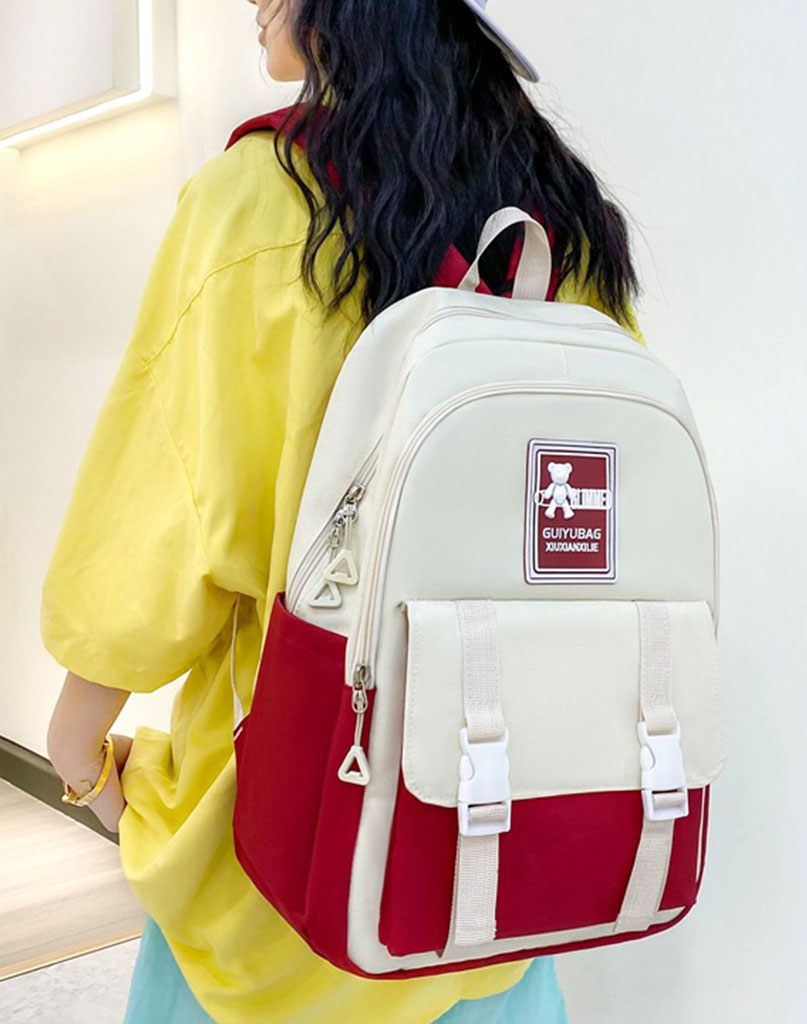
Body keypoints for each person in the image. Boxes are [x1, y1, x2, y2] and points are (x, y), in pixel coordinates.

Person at [40, 1, 644, 1021]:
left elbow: (167, 508)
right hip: (497, 850)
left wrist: (78, 748)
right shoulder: (567, 220)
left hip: (290, 849)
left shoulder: (257, 201)